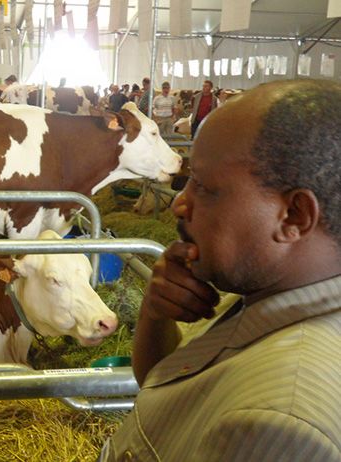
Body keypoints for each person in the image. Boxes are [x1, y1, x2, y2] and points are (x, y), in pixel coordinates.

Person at [101, 79, 341, 461]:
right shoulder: (258, 289)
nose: (180, 204)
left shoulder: (278, 425)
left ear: (294, 215)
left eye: (205, 187)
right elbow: (170, 390)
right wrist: (156, 314)